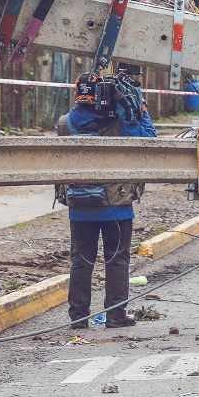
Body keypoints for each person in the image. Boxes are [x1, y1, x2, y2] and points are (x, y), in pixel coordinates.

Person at [56, 69, 157, 329]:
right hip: (117, 207)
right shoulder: (121, 122)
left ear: (78, 94)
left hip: (80, 206)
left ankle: (78, 317)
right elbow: (149, 142)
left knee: (81, 259)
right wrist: (139, 110)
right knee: (117, 259)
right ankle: (115, 314)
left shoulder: (65, 123)